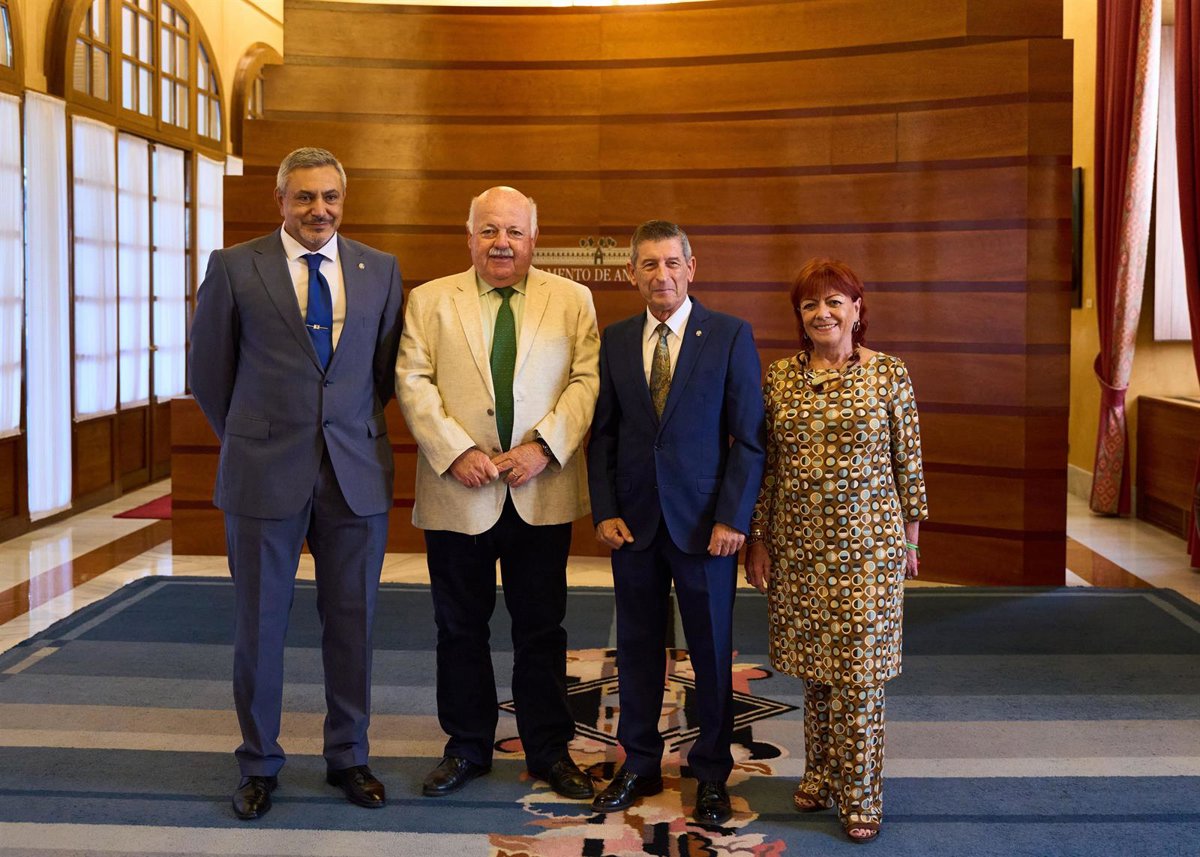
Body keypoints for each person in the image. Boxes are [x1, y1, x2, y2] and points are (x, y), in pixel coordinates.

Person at [189, 148, 404, 819]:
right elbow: (209, 373)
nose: (319, 210)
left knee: (354, 622)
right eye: (305, 196)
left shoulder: (380, 270)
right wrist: (255, 436)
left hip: (354, 473)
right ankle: (259, 763)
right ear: (280, 200)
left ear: (344, 200)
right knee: (260, 625)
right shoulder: (234, 266)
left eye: (330, 197)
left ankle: (350, 755)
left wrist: (340, 428)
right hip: (263, 474)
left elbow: (384, 373)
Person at [395, 186, 600, 800]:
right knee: (459, 628)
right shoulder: (429, 300)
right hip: (458, 490)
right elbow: (413, 382)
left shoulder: (573, 299)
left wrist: (545, 448)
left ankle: (549, 749)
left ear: (534, 239)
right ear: (470, 238)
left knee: (543, 629)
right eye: (488, 231)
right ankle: (466, 747)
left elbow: (586, 382)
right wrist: (456, 451)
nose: (501, 243)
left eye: (513, 231)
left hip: (541, 487)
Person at [587, 220, 765, 825]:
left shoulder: (730, 334)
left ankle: (711, 773)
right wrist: (605, 508)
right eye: (648, 264)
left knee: (710, 652)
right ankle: (638, 763)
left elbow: (749, 439)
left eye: (671, 263)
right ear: (631, 273)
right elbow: (604, 435)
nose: (660, 275)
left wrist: (733, 518)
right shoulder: (615, 339)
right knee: (636, 650)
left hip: (706, 528)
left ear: (691, 268)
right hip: (634, 526)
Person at [744, 258, 928, 844]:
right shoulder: (779, 377)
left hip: (869, 548)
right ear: (799, 316)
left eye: (834, 302)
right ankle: (821, 774)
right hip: (799, 546)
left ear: (856, 308)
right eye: (810, 305)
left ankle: (861, 793)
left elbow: (908, 462)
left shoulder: (888, 373)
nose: (822, 313)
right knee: (817, 671)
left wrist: (910, 539)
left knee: (860, 674)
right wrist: (759, 539)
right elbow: (767, 465)